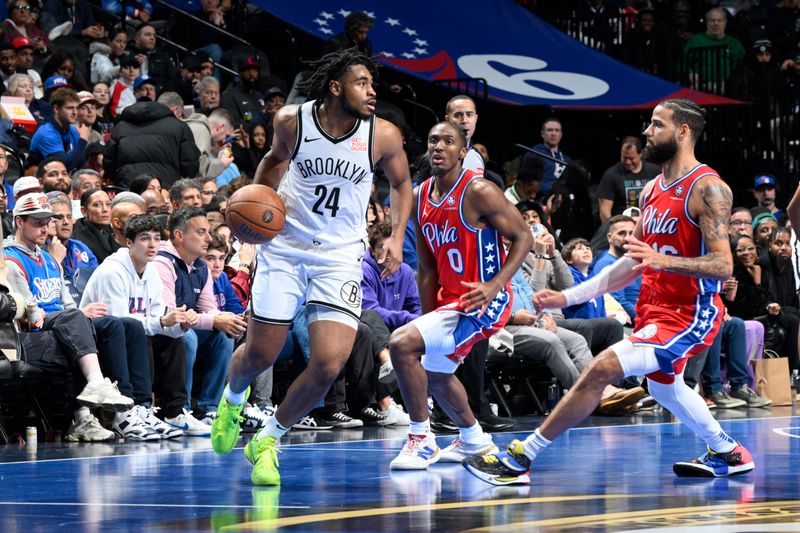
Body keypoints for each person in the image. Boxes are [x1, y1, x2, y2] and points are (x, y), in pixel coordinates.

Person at [465, 98, 755, 485]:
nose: (648, 132)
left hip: (689, 312)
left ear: (683, 132)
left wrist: (663, 260)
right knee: (662, 387)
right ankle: (728, 451)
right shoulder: (652, 189)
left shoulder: (708, 188)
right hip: (655, 309)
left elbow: (724, 266)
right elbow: (631, 262)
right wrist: (568, 297)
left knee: (601, 367)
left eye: (657, 125)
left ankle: (521, 458)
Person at [209, 49, 413, 485]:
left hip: (340, 256)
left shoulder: (383, 135)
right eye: (363, 82)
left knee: (327, 364)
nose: (373, 91)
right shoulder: (292, 121)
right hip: (285, 249)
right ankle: (230, 399)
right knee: (260, 353)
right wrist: (253, 220)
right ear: (336, 87)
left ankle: (268, 438)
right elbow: (271, 164)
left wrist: (395, 236)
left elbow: (401, 183)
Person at [388, 121, 532, 469]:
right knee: (436, 373)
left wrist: (495, 284)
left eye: (448, 141)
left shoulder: (479, 190)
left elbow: (524, 236)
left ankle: (421, 439)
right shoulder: (421, 195)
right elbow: (427, 269)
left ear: (462, 152)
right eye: (433, 140)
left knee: (399, 344)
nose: (438, 147)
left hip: (484, 302)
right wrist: (426, 317)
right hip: (451, 301)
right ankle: (474, 440)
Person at [80, 214, 189, 439]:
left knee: (174, 339)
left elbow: (159, 316)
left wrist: (179, 324)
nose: (152, 245)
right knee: (134, 328)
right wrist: (160, 322)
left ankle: (167, 411)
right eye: (144, 239)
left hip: (129, 334)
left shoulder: (152, 272)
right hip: (97, 336)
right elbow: (118, 320)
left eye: (157, 239)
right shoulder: (112, 271)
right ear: (129, 243)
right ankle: (126, 412)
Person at [103, 100, 200, 189]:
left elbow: (108, 162)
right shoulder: (179, 126)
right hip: (167, 189)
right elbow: (190, 163)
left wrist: (119, 180)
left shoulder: (120, 128)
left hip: (129, 188)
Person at [597, 136, 661, 223]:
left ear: (640, 153)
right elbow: (604, 212)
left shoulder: (654, 171)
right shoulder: (611, 175)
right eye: (624, 157)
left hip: (648, 224)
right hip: (623, 227)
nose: (627, 162)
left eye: (631, 158)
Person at [29, 88, 90, 170]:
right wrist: (83, 140)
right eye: (70, 108)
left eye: (77, 108)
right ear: (56, 109)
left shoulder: (73, 131)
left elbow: (81, 162)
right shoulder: (46, 133)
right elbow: (64, 166)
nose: (75, 112)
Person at [521, 118, 570, 195]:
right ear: (542, 134)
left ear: (561, 134)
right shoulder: (533, 155)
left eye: (557, 130)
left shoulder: (567, 160)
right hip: (541, 199)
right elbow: (529, 183)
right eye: (549, 130)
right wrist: (553, 189)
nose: (553, 134)